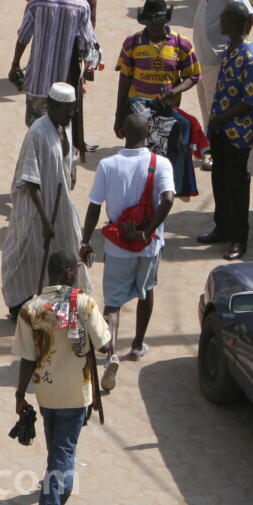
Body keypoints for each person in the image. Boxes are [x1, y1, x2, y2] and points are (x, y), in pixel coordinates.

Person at [11, 250, 110, 505]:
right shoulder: (83, 303)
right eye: (75, 270)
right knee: (64, 454)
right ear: (67, 273)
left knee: (58, 448)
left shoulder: (30, 308)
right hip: (76, 394)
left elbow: (27, 358)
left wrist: (19, 395)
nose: (77, 274)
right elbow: (104, 345)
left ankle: (52, 485)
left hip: (46, 393)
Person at [84, 112, 175, 378]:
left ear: (122, 132)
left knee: (112, 304)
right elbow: (168, 199)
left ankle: (111, 352)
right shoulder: (161, 164)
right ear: (148, 134)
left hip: (117, 246)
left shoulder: (107, 164)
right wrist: (148, 231)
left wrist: (85, 240)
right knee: (146, 292)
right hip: (148, 246)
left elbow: (94, 206)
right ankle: (136, 345)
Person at [1, 84, 81, 318]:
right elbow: (30, 180)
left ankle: (61, 305)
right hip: (37, 210)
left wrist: (72, 169)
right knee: (25, 255)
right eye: (67, 110)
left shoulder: (65, 125)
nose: (71, 114)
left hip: (61, 204)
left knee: (67, 251)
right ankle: (19, 307)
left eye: (73, 109)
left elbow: (68, 156)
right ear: (52, 106)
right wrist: (46, 221)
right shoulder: (37, 132)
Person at [199, 3, 253, 259]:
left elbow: (251, 99)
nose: (220, 22)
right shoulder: (231, 49)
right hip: (221, 128)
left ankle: (239, 239)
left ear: (232, 23)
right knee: (219, 179)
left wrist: (222, 118)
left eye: (224, 19)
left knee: (237, 185)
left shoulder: (249, 56)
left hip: (238, 133)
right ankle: (222, 228)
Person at [10, 0, 96, 143]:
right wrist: (83, 79)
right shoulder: (81, 5)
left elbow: (23, 36)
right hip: (65, 86)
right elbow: (87, 44)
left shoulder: (37, 2)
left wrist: (15, 64)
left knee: (36, 133)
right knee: (63, 135)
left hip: (37, 83)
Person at [114, 0, 200, 136]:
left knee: (165, 151)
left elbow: (193, 76)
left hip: (169, 110)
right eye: (150, 24)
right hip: (138, 109)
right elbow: (124, 79)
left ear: (166, 21)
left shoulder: (181, 44)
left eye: (159, 23)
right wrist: (119, 116)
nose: (155, 27)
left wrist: (173, 92)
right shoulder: (132, 43)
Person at [193, 0, 251, 120]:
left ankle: (214, 146)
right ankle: (207, 145)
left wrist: (238, 48)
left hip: (215, 56)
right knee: (204, 103)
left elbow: (248, 13)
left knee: (213, 107)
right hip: (203, 53)